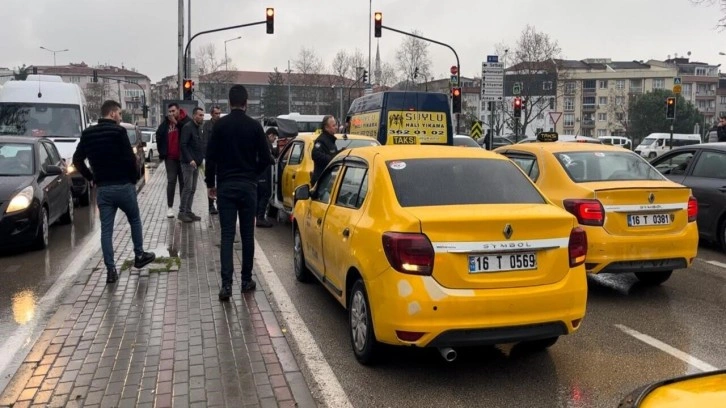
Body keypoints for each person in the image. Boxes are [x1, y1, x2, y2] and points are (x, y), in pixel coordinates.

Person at [72, 100, 155, 284]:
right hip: (123, 185)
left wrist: (91, 177)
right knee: (134, 219)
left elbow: (77, 160)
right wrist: (133, 178)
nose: (120, 116)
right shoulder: (119, 132)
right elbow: (129, 158)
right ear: (111, 113)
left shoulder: (87, 134)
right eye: (118, 113)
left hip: (103, 188)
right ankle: (139, 255)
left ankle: (111, 271)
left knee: (106, 230)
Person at [206, 85, 272, 301]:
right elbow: (266, 158)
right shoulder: (254, 127)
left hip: (226, 186)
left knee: (226, 236)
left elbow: (211, 156)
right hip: (248, 187)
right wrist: (254, 174)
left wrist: (210, 183)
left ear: (229, 102)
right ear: (245, 103)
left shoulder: (220, 126)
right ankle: (246, 280)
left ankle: (226, 285)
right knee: (247, 235)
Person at [156, 103, 191, 218]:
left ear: (178, 110)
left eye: (173, 111)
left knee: (183, 182)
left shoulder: (186, 120)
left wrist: (176, 123)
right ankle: (170, 207)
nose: (171, 113)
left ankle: (183, 208)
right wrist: (162, 152)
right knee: (171, 180)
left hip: (183, 158)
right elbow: (159, 135)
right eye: (169, 111)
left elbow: (188, 131)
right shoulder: (166, 123)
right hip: (170, 157)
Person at [179, 107, 205, 223]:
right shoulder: (188, 127)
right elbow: (183, 145)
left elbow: (199, 145)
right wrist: (190, 160)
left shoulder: (198, 128)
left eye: (202, 115)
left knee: (193, 189)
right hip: (188, 163)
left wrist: (200, 160)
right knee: (187, 188)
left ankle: (188, 211)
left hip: (196, 164)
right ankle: (182, 212)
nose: (201, 117)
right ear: (194, 115)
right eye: (200, 115)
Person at [255, 128, 278, 228]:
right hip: (262, 172)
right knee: (264, 194)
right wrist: (273, 160)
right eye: (274, 137)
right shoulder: (265, 142)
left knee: (260, 195)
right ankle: (260, 218)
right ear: (270, 135)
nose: (274, 139)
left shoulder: (263, 141)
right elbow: (268, 156)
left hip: (259, 172)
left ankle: (258, 217)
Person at [202, 106, 222, 214]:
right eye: (216, 113)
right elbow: (205, 142)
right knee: (210, 183)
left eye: (219, 113)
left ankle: (219, 203)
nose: (218, 115)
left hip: (221, 158)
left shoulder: (222, 125)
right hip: (211, 158)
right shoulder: (207, 126)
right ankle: (210, 206)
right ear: (211, 114)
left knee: (221, 182)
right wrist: (206, 156)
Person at [310, 115, 339, 185]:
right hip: (321, 181)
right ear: (326, 128)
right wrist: (333, 159)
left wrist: (340, 153)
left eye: (336, 125)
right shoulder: (321, 140)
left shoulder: (331, 140)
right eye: (333, 125)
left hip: (328, 179)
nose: (336, 127)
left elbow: (332, 153)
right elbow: (315, 154)